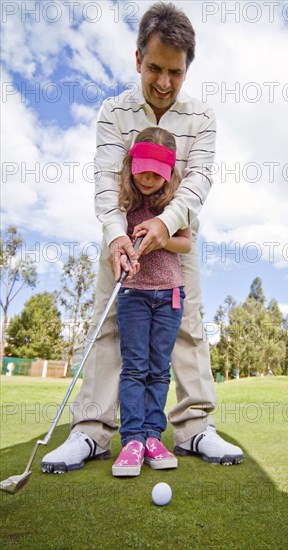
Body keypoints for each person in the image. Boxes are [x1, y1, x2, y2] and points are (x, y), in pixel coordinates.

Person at [42, 2, 243, 474]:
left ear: (187, 68)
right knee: (108, 324)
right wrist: (116, 237)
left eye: (175, 71)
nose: (164, 82)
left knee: (189, 327)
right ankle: (91, 432)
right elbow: (104, 181)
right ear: (138, 60)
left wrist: (166, 222)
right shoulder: (113, 112)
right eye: (154, 68)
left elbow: (199, 181)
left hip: (175, 238)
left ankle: (194, 428)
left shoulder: (202, 117)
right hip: (122, 235)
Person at [113, 126, 191, 477]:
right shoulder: (123, 203)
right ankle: (131, 439)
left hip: (170, 294)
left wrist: (160, 236)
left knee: (159, 370)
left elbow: (186, 244)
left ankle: (151, 437)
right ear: (131, 164)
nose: (147, 178)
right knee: (134, 368)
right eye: (142, 168)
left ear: (169, 174)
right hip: (134, 295)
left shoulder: (174, 205)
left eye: (157, 173)